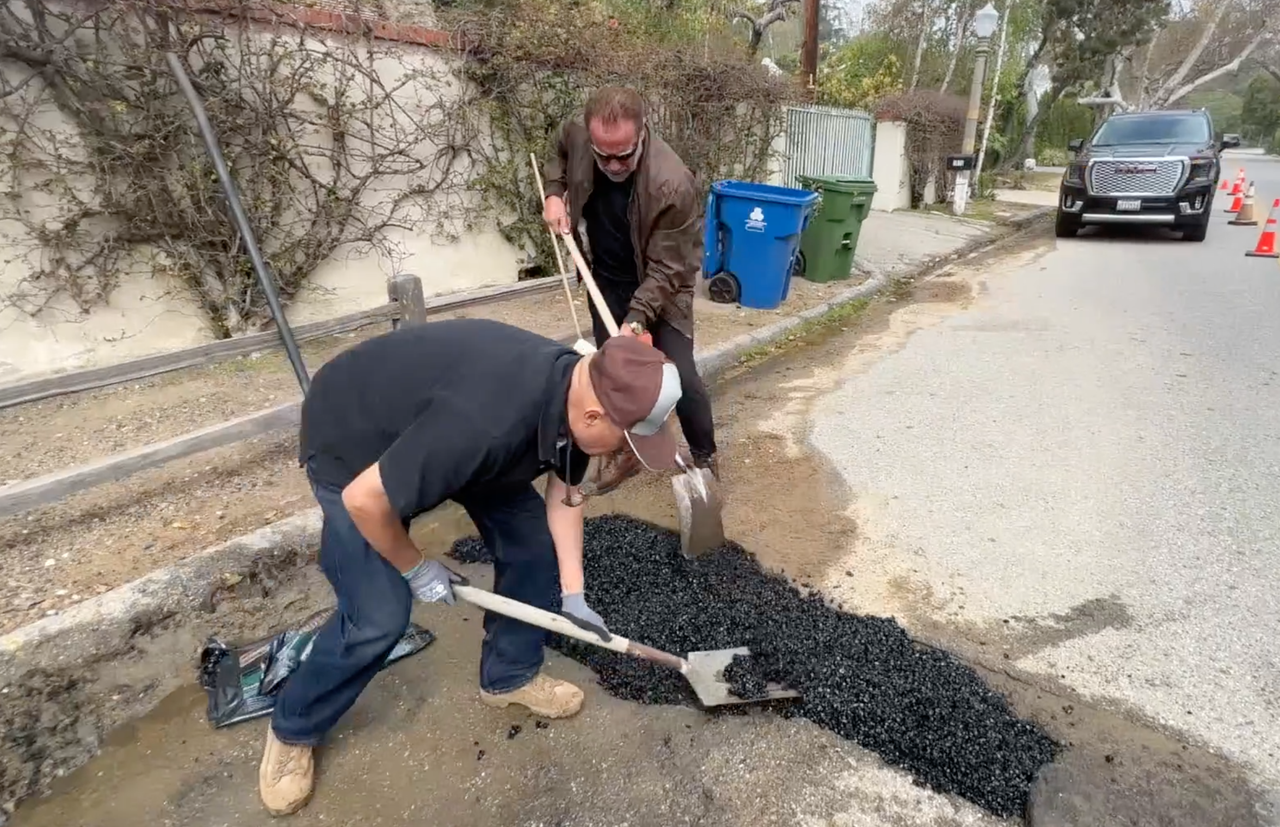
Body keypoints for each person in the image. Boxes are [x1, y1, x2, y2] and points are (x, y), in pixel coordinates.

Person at [258, 317, 683, 816]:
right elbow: (365, 500)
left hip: (445, 435)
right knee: (378, 613)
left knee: (532, 547)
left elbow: (566, 494)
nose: (624, 453)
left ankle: (509, 677)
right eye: (625, 441)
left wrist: (574, 593)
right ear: (592, 417)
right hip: (354, 442)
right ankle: (294, 726)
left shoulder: (571, 394)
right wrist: (414, 567)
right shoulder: (485, 423)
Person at [542, 85, 718, 494]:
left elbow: (671, 266)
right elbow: (560, 151)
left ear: (642, 134)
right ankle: (624, 450)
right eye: (604, 155)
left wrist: (637, 318)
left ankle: (706, 459)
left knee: (681, 376)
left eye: (625, 154)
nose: (614, 164)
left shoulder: (673, 183)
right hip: (605, 278)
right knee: (612, 376)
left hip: (662, 283)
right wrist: (554, 193)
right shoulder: (581, 136)